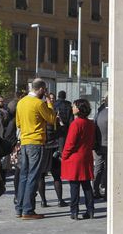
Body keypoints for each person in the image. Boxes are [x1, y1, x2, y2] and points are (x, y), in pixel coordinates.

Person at [14, 78, 57, 219]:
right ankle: (28, 210)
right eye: (44, 90)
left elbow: (18, 124)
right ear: (41, 89)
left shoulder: (21, 102)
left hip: (25, 142)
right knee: (33, 176)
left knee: (23, 176)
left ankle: (19, 208)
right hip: (36, 142)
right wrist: (50, 104)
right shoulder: (39, 103)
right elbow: (51, 119)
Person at [61, 98, 97, 220]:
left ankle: (74, 211)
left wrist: (64, 155)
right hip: (86, 156)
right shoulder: (90, 123)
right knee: (87, 185)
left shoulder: (76, 124)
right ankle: (91, 210)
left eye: (74, 106)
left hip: (75, 158)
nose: (72, 108)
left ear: (79, 109)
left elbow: (70, 143)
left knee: (74, 186)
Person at [93, 97, 109, 200]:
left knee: (98, 168)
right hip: (108, 145)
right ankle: (107, 192)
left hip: (98, 144)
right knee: (108, 169)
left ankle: (95, 190)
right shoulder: (110, 113)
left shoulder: (98, 113)